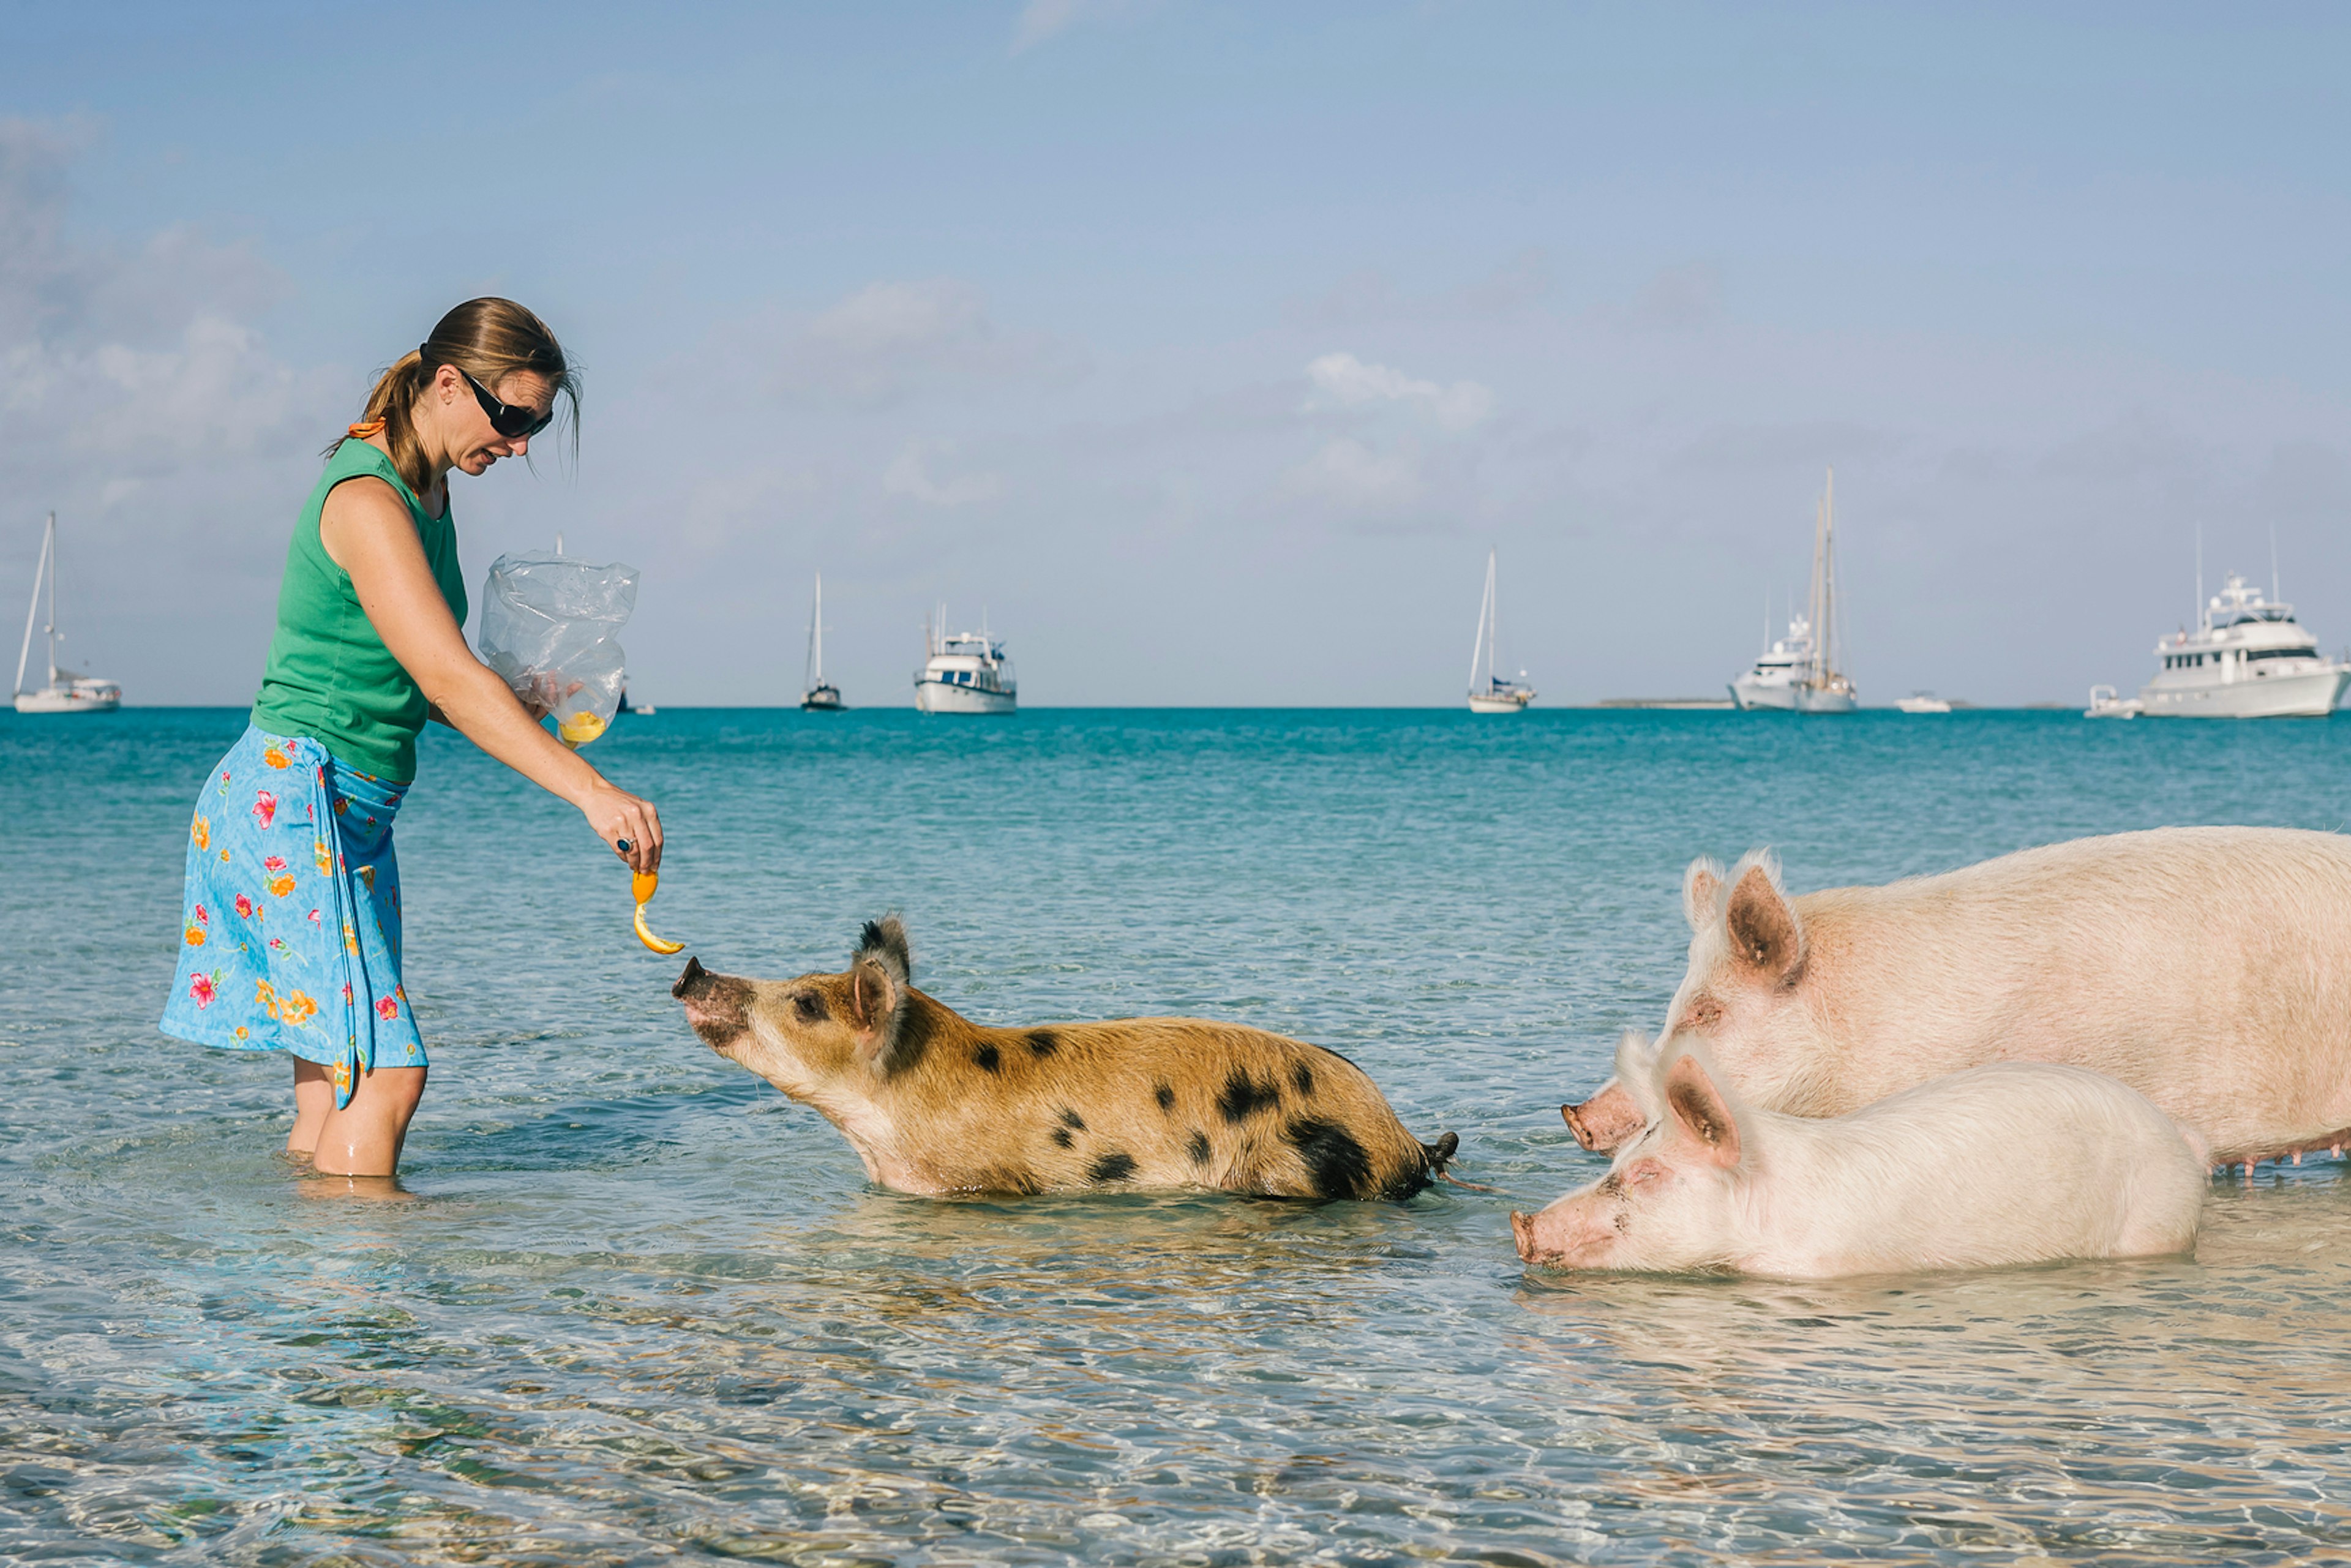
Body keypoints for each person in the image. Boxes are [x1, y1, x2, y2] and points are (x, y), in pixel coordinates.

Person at [160, 298, 662, 1179]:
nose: (520, 444)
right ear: (445, 383)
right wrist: (591, 789)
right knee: (387, 1072)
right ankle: (367, 1293)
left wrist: (517, 695)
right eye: (512, 417)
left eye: (536, 425)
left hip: (345, 815)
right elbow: (443, 679)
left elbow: (414, 670)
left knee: (333, 1079)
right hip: (294, 798)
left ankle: (304, 1292)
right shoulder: (367, 496)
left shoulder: (429, 493)